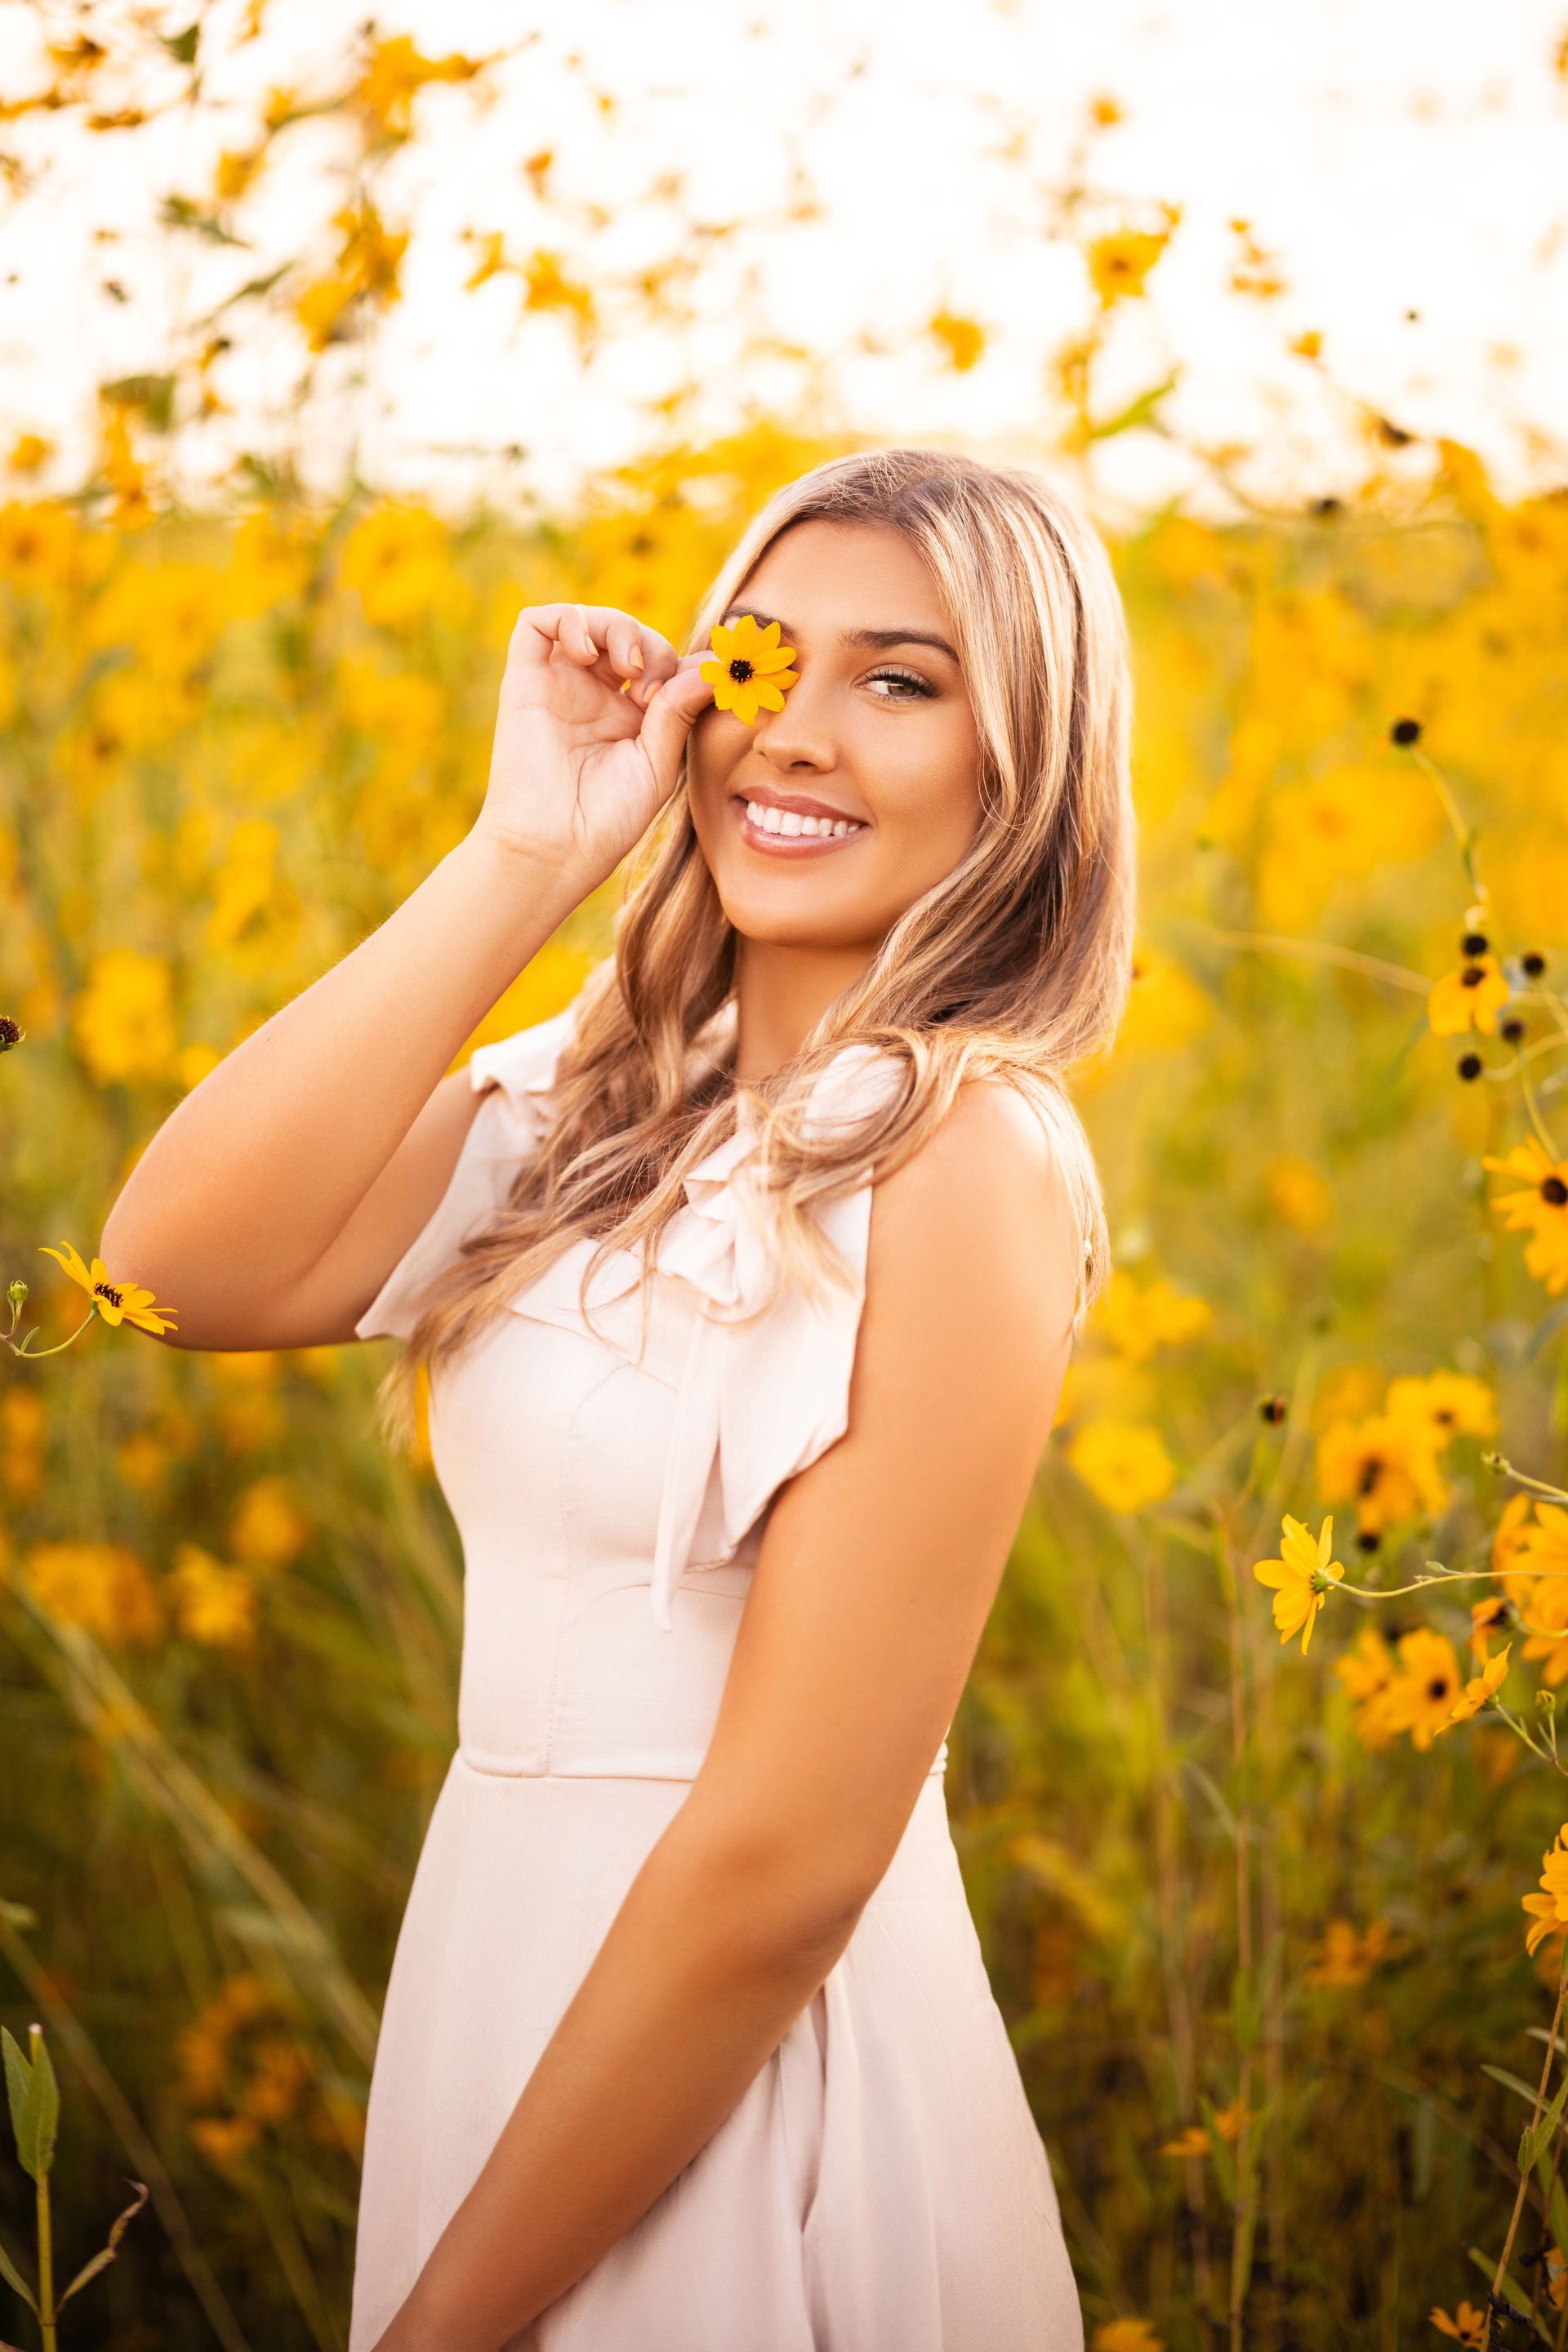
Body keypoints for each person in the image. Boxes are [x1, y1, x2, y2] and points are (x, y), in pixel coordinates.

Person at [102, 444, 1135, 2351]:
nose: (791, 737)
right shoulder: (608, 1096)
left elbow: (785, 1861)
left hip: (736, 2056)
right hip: (509, 1960)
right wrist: (527, 853)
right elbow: (173, 1272)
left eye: (898, 684)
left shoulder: (963, 1153)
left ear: (1026, 767)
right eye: (755, 663)